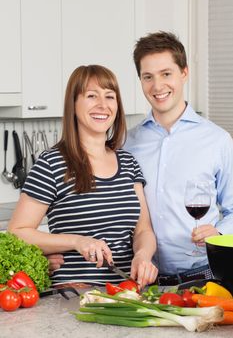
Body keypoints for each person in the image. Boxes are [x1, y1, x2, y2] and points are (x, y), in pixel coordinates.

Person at [8, 65, 157, 289]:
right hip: (77, 294)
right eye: (91, 96)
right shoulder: (51, 163)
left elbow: (143, 230)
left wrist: (143, 255)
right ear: (73, 105)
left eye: (109, 96)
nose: (103, 105)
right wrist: (76, 241)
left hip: (128, 292)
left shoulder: (128, 162)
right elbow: (17, 233)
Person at [124, 31, 233, 285]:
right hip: (143, 281)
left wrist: (218, 231)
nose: (157, 86)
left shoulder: (217, 140)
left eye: (166, 74)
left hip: (205, 277)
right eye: (147, 77)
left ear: (184, 73)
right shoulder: (128, 143)